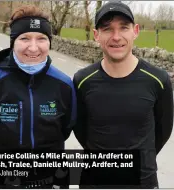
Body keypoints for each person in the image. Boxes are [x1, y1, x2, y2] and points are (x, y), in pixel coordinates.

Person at [0, 5, 76, 188]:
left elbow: (66, 130)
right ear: (13, 42)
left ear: (50, 42)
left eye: (41, 38)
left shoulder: (64, 84)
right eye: (24, 38)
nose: (33, 48)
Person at [73, 1, 173, 189]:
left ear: (135, 31)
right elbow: (81, 129)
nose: (116, 37)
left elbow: (163, 131)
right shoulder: (82, 80)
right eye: (107, 29)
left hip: (143, 182)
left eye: (124, 28)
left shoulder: (158, 80)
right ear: (96, 35)